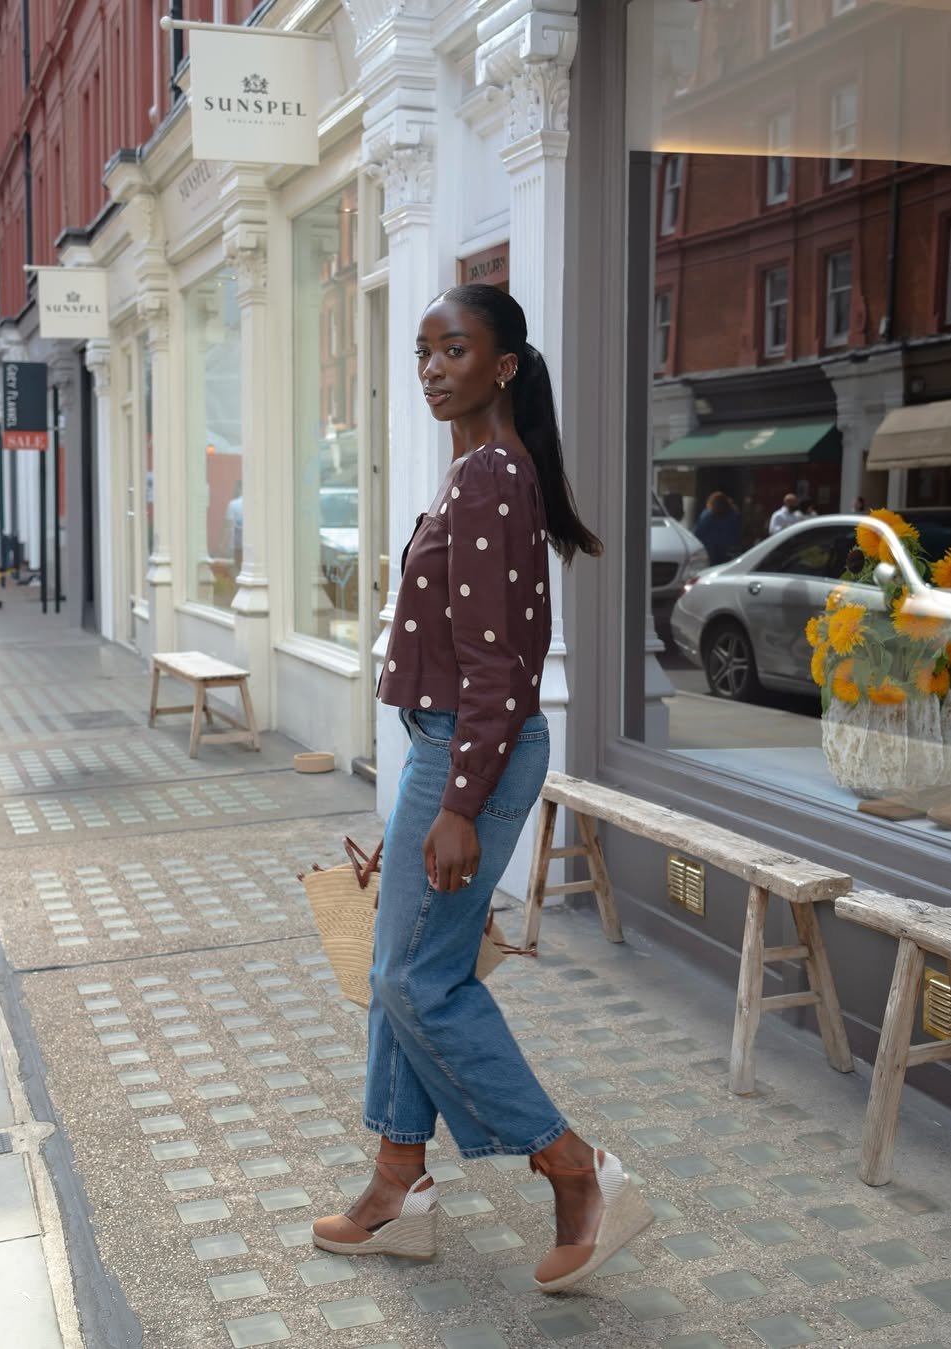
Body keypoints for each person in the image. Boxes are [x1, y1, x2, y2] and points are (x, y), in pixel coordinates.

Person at [311, 284, 654, 1291]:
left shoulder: (493, 476)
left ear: (501, 366)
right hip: (449, 748)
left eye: (452, 350)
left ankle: (574, 1165)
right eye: (422, 351)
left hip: (473, 748)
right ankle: (395, 1186)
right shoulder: (482, 471)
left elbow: (498, 666)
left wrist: (456, 804)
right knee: (395, 961)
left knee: (417, 979)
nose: (431, 368)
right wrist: (431, 796)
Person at [692, 490, 741, 564]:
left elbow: (698, 532)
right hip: (724, 551)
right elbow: (734, 535)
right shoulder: (732, 516)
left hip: (709, 550)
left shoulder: (708, 515)